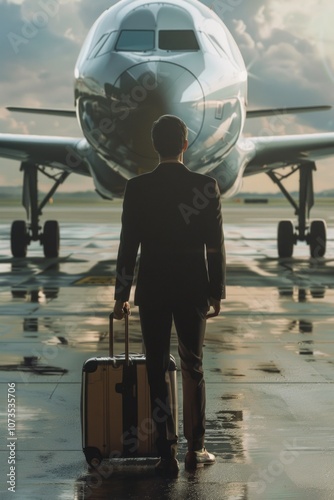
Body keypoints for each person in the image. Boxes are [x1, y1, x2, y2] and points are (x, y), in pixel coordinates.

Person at [113, 114, 226, 475]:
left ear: (154, 145)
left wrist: (121, 295)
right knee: (193, 365)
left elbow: (128, 244)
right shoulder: (207, 185)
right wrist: (216, 292)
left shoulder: (137, 187)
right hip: (193, 287)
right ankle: (197, 448)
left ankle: (166, 451)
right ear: (185, 144)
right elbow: (215, 247)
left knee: (156, 367)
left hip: (153, 288)